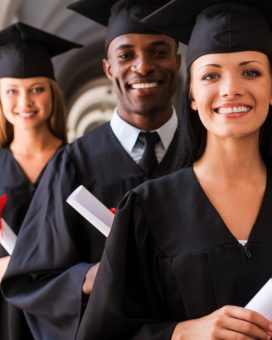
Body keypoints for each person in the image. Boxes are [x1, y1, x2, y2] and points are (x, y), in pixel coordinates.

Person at [71, 1, 272, 339]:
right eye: (211, 75)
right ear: (191, 94)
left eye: (250, 71)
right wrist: (181, 332)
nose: (231, 88)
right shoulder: (147, 208)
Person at [1, 1, 181, 339]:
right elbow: (32, 279)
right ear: (108, 68)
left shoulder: (204, 153)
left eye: (159, 51)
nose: (143, 66)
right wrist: (86, 278)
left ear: (178, 61)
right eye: (126, 55)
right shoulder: (71, 164)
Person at [0, 22, 81, 340]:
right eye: (12, 91)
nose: (25, 102)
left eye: (37, 88)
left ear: (52, 93)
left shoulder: (80, 163)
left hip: (63, 310)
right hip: (5, 308)